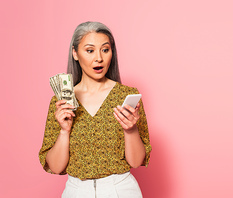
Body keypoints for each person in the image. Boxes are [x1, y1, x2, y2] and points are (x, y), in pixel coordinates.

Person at [39, 21, 151, 198]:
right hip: (76, 191)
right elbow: (55, 167)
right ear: (75, 53)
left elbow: (136, 162)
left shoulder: (127, 95)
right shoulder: (61, 101)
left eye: (105, 50)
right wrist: (64, 131)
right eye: (90, 50)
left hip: (120, 189)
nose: (99, 58)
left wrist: (131, 129)